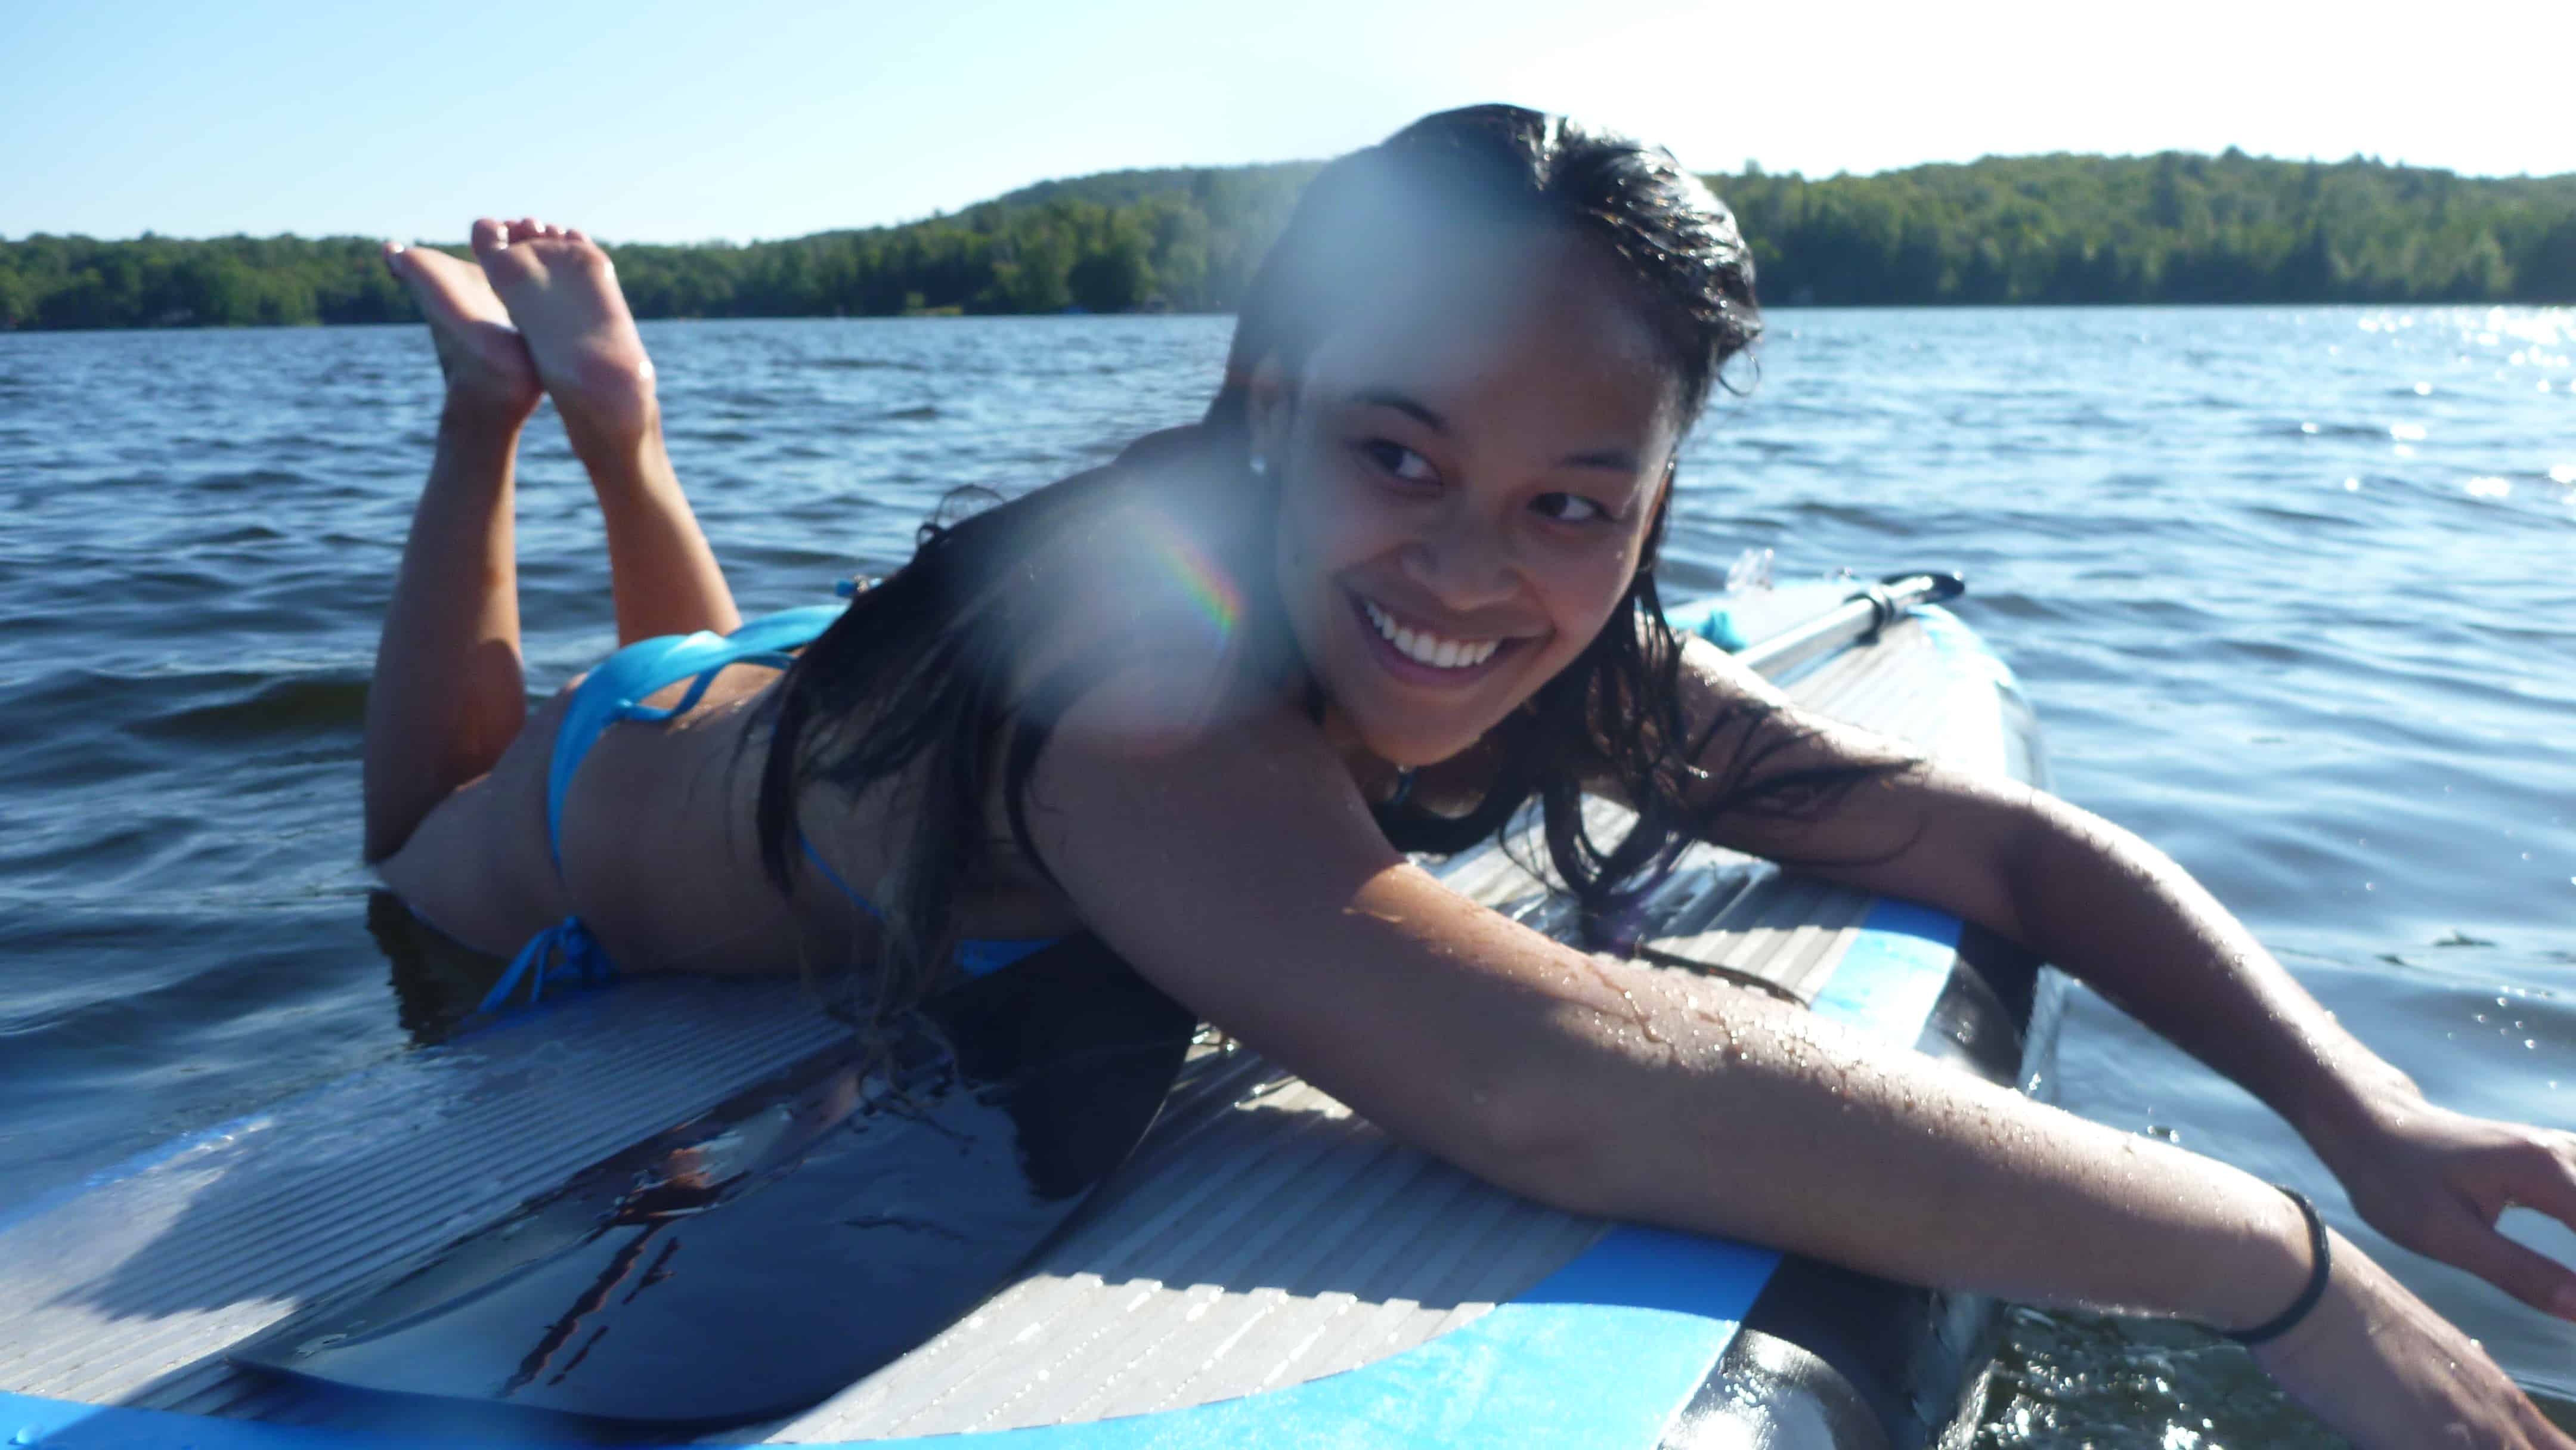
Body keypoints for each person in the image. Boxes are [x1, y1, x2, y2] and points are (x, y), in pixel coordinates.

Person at [364, 106, 2576, 1447]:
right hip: (600, 805)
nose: (1470, 572)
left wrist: (2361, 1112)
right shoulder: (1138, 674)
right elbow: (1548, 1073)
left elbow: (1977, 834)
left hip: (823, 702)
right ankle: (504, 421)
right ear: (1268, 399)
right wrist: (2289, 1272)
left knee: (723, 657)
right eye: (1396, 454)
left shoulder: (1551, 638)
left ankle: (624, 435)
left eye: (1568, 503)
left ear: (1650, 500)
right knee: (420, 837)